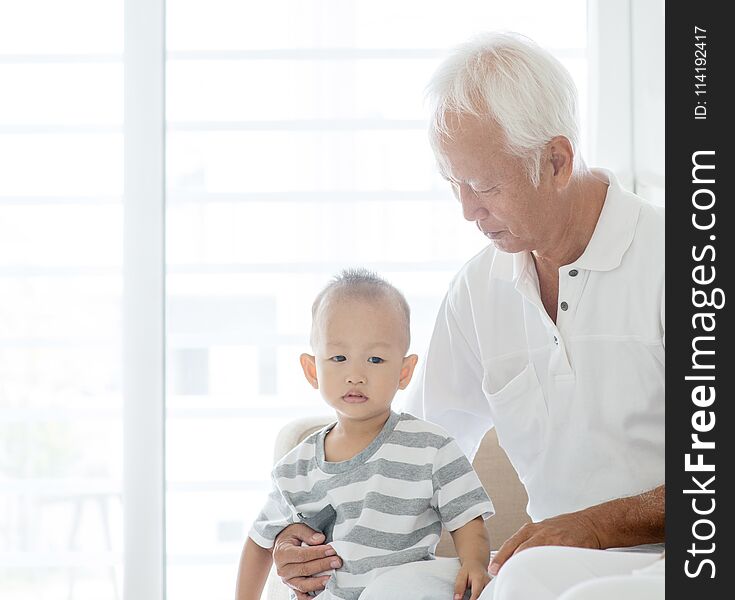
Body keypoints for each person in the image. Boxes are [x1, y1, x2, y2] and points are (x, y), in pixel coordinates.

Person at [267, 32, 665, 600]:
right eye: (454, 184)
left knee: (537, 583)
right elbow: (410, 455)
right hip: (546, 565)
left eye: (484, 186)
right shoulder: (481, 288)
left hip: (676, 562)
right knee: (388, 591)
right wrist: (312, 539)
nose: (467, 211)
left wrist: (596, 525)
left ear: (555, 161)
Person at [235, 269, 495, 600]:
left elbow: (468, 519)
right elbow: (260, 542)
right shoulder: (296, 468)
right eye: (339, 358)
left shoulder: (431, 446)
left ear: (404, 371)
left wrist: (475, 565)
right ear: (312, 370)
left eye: (375, 359)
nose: (355, 375)